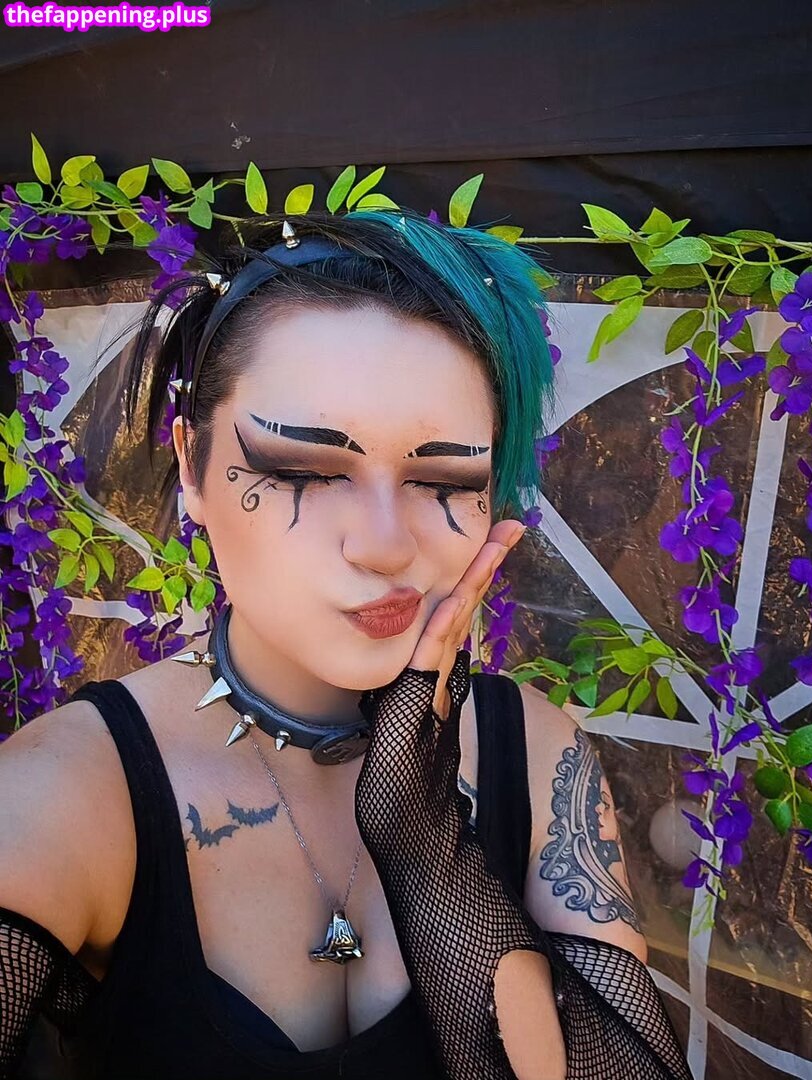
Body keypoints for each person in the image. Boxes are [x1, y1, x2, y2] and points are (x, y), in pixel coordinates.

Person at [0, 208, 693, 1078]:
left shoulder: (537, 748)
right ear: (191, 465)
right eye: (305, 470)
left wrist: (426, 846)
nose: (384, 545)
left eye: (445, 479)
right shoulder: (63, 794)